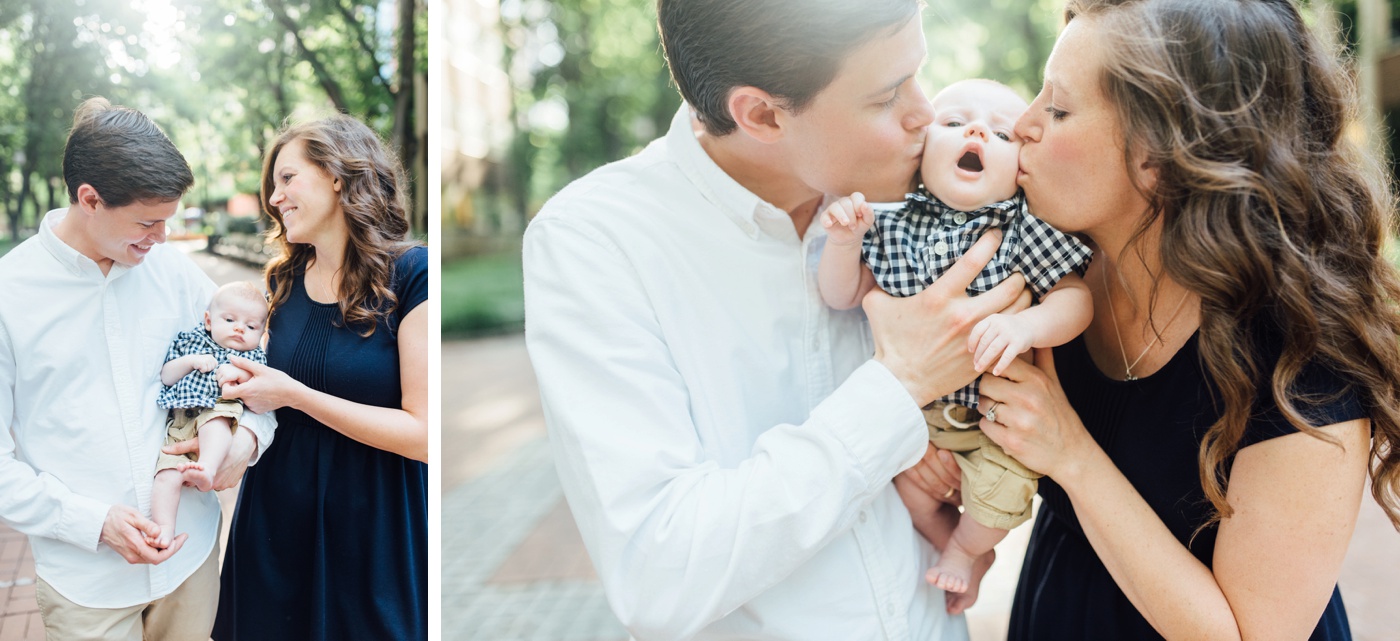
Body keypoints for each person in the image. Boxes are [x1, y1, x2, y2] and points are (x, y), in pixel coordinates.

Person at [522, 1, 1031, 638]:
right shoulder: (596, 244)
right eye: (886, 95)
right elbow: (659, 574)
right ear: (762, 114)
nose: (925, 113)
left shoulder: (929, 199)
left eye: (918, 72)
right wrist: (899, 388)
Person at [898, 0, 1400, 638]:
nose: (1021, 124)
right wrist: (927, 450)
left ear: (1162, 156)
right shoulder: (1048, 260)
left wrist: (1070, 452)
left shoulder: (1305, 363)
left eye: (1056, 107)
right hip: (1059, 602)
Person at [0, 97, 274, 640]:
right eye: (148, 222)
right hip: (88, 581)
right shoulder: (10, 293)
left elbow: (254, 373)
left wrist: (249, 440)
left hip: (192, 560)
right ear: (90, 199)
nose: (162, 238)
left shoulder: (173, 272)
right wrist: (93, 523)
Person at [818, 78, 1093, 601]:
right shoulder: (890, 223)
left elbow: (1076, 298)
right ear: (922, 153)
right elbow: (842, 294)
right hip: (915, 418)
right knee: (904, 492)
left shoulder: (1023, 230)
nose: (975, 130)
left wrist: (1025, 326)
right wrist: (844, 242)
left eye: (1001, 133)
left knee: (1007, 489)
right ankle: (955, 544)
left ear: (1021, 169)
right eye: (953, 122)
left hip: (995, 421)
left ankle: (969, 550)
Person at [210, 114, 428, 641]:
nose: (274, 198)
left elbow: (425, 436)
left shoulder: (414, 274)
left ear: (336, 175)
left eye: (287, 179)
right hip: (274, 521)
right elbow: (260, 394)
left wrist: (296, 396)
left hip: (372, 523)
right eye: (272, 185)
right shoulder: (281, 281)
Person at [149, 281, 269, 549]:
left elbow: (261, 392)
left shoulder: (252, 357)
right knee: (166, 475)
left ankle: (208, 468)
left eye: (251, 326)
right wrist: (190, 361)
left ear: (261, 333)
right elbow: (167, 377)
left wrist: (240, 375)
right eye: (230, 319)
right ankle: (163, 529)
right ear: (208, 320)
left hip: (219, 409)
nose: (240, 328)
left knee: (214, 423)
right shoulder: (189, 342)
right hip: (180, 421)